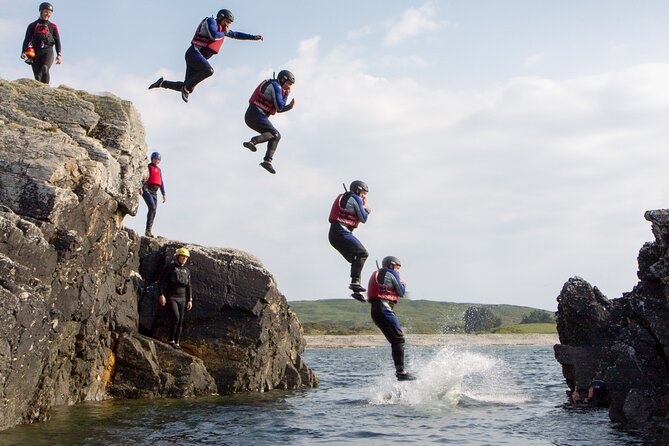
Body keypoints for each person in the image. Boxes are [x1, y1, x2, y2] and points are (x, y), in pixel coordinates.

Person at [148, 9, 263, 103]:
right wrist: (225, 32)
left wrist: (253, 37)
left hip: (198, 58)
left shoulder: (223, 30)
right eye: (227, 22)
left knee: (188, 86)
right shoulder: (211, 22)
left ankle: (162, 83)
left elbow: (236, 34)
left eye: (230, 23)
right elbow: (213, 36)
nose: (228, 25)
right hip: (193, 53)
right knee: (209, 70)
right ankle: (185, 88)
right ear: (220, 18)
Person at [367, 256, 416, 381]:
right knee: (399, 339)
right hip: (384, 309)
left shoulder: (380, 274)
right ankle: (401, 372)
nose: (398, 271)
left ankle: (400, 373)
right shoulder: (391, 273)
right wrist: (404, 284)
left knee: (396, 340)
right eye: (398, 268)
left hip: (376, 310)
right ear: (392, 265)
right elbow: (401, 292)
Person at [242, 70, 296, 174]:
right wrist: (286, 96)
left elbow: (277, 107)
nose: (289, 87)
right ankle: (255, 145)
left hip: (252, 116)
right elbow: (280, 107)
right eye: (288, 84)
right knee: (276, 134)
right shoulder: (276, 86)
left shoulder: (275, 85)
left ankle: (265, 159)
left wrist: (289, 106)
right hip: (255, 114)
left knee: (275, 135)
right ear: (282, 79)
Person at [328, 181, 370, 300]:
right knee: (362, 254)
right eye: (363, 193)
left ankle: (356, 290)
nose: (364, 196)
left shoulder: (347, 197)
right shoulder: (355, 198)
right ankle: (355, 283)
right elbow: (363, 218)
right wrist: (366, 209)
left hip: (334, 234)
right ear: (357, 190)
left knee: (356, 259)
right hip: (340, 232)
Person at [159, 247, 193, 349]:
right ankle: (171, 340)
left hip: (182, 298)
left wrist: (190, 299)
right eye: (183, 257)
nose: (184, 259)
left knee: (181, 320)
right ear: (178, 256)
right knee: (176, 317)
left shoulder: (187, 271)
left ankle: (177, 342)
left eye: (186, 257)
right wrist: (161, 295)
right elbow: (161, 282)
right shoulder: (170, 268)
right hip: (172, 297)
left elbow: (189, 286)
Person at [21, 2, 62, 84]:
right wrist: (23, 52)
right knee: (37, 77)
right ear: (41, 11)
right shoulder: (32, 25)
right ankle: (40, 93)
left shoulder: (53, 26)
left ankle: (46, 89)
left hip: (47, 51)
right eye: (46, 12)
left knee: (45, 68)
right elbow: (27, 39)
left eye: (50, 12)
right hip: (35, 52)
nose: (48, 14)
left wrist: (59, 54)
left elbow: (57, 40)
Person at [141, 152, 166, 238]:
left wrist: (164, 194)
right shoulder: (149, 167)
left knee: (154, 211)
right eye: (155, 159)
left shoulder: (159, 170)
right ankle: (147, 230)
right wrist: (141, 187)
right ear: (152, 159)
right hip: (147, 189)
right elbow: (143, 177)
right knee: (152, 206)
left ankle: (148, 231)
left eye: (158, 160)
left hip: (155, 192)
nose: (157, 161)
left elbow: (161, 182)